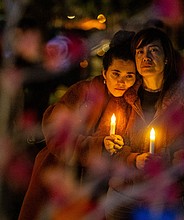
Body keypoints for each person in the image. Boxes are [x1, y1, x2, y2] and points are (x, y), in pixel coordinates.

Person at [18, 30, 137, 220]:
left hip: (99, 187)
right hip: (62, 175)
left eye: (129, 76)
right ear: (105, 73)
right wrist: (97, 145)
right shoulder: (84, 92)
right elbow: (55, 131)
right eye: (116, 73)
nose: (122, 81)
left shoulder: (132, 103)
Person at [104, 27, 184, 219]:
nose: (146, 57)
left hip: (166, 196)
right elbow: (110, 143)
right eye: (140, 52)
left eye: (153, 50)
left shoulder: (183, 100)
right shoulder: (124, 97)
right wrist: (133, 159)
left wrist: (168, 162)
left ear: (166, 58)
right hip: (123, 195)